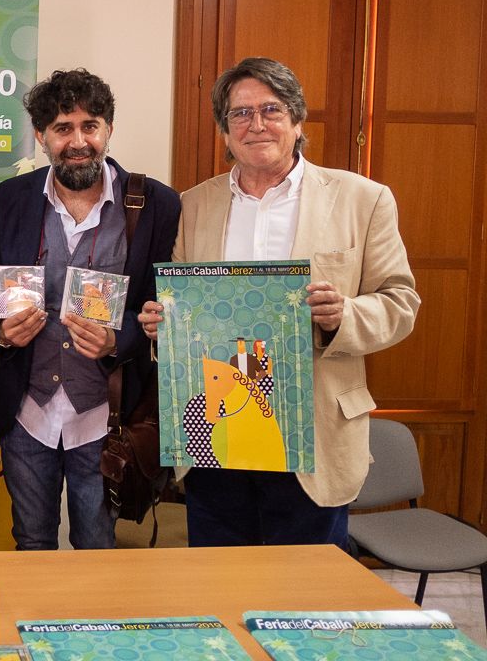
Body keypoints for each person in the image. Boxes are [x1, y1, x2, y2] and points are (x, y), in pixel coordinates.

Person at [138, 56, 419, 548]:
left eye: (271, 109)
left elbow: (401, 302)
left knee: (306, 588)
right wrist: (162, 324)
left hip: (311, 434)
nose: (256, 124)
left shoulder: (362, 199)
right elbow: (179, 303)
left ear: (296, 119)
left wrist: (344, 315)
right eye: (241, 113)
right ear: (225, 130)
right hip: (217, 431)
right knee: (220, 580)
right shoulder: (195, 203)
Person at [0, 69, 179, 550]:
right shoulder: (11, 199)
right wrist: (2, 333)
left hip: (107, 416)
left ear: (109, 129)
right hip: (27, 411)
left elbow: (164, 309)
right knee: (31, 541)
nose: (78, 141)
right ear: (41, 136)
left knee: (97, 547)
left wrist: (118, 339)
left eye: (90, 126)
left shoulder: (156, 204)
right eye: (62, 128)